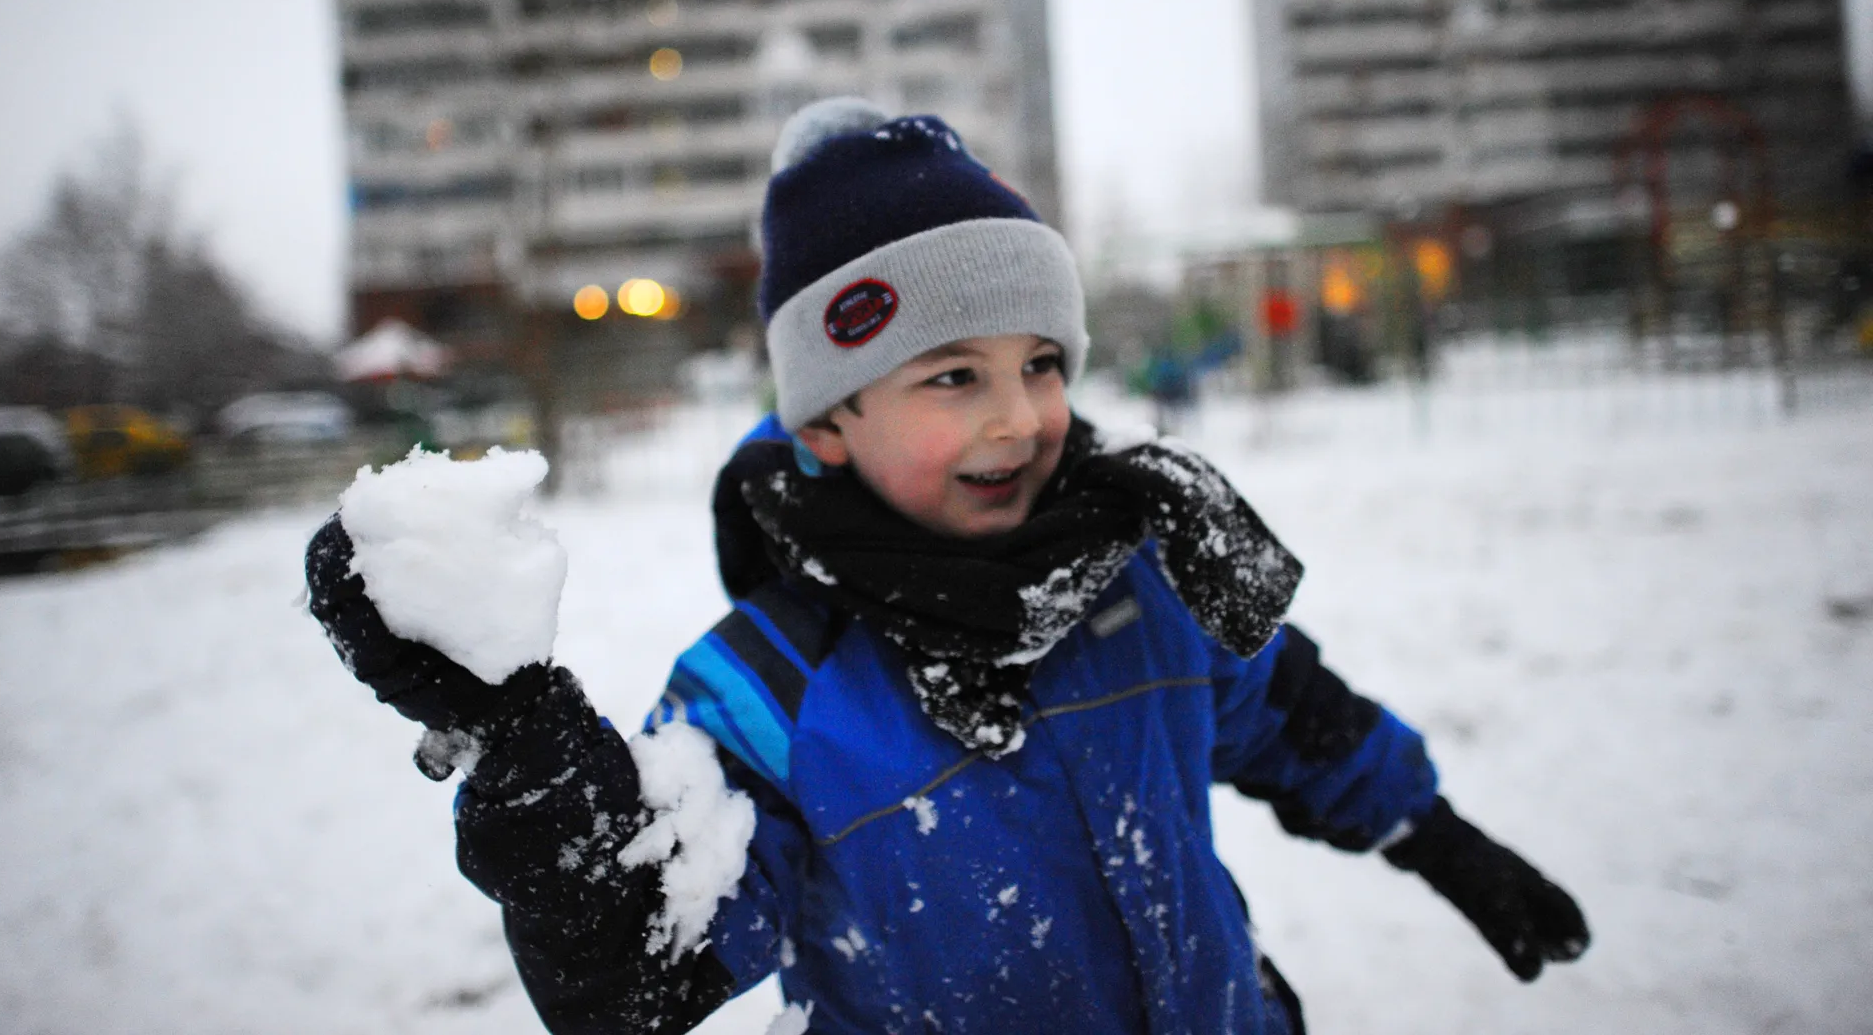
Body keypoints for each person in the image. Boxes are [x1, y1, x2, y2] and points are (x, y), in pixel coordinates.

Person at [305, 100, 1588, 1034]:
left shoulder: (1139, 579)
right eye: (952, 377)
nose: (1019, 418)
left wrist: (1432, 830)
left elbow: (1296, 718)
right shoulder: (771, 687)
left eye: (1041, 363)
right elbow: (641, 965)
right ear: (826, 424)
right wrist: (524, 742)